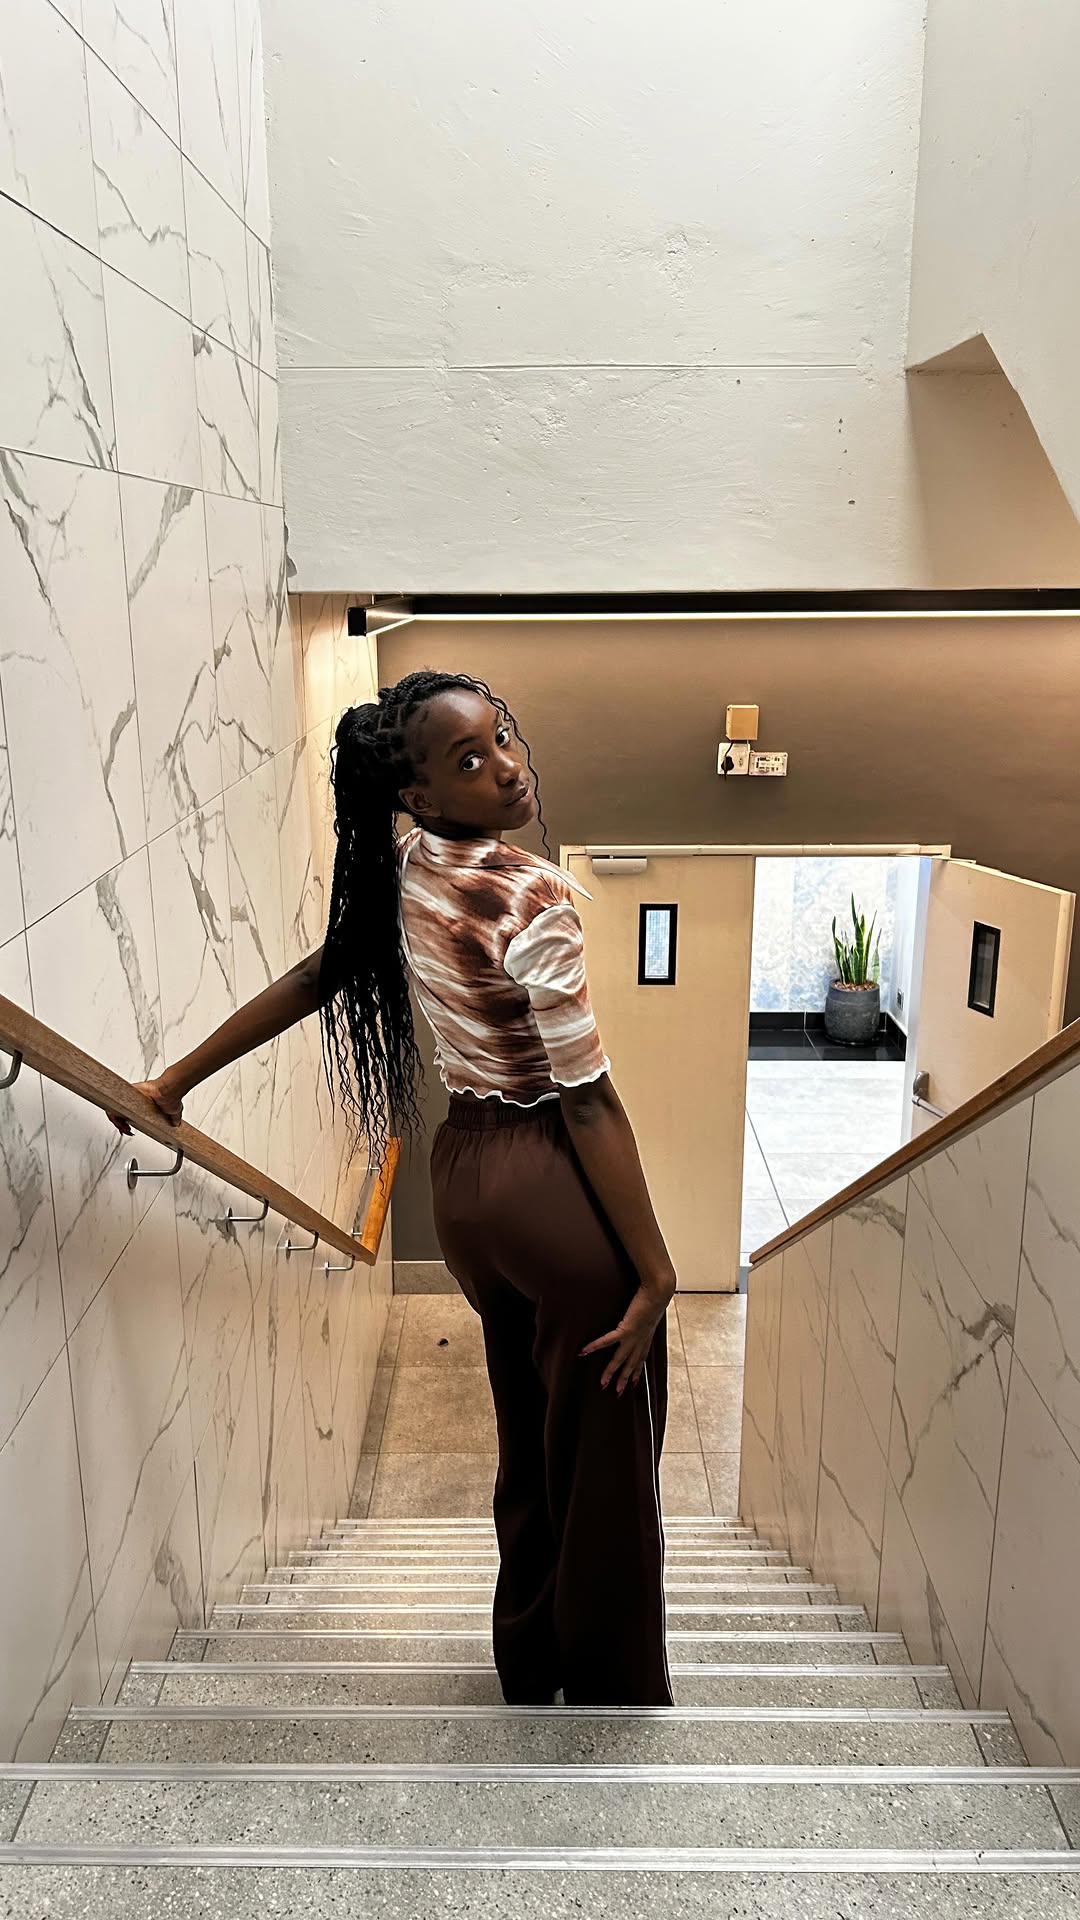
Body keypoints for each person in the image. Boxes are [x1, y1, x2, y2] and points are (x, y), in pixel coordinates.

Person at [114, 670, 677, 1706]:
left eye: (501, 736)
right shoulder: (533, 898)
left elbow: (314, 977)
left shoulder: (409, 865)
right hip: (543, 1178)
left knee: (529, 1434)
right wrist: (656, 1273)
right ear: (419, 795)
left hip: (464, 1185)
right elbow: (589, 1102)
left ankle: (530, 1659)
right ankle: (610, 1688)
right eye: (470, 759)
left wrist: (173, 1082)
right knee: (602, 1447)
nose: (507, 766)